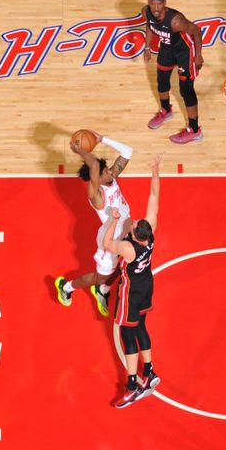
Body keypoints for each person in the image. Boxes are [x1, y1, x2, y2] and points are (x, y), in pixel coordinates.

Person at [103, 155, 162, 409]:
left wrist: (114, 219)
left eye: (135, 223)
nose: (136, 220)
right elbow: (154, 200)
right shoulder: (150, 232)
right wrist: (155, 171)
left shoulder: (128, 249)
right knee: (141, 327)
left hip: (131, 291)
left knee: (128, 333)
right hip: (146, 284)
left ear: (136, 237)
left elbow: (106, 244)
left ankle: (131, 386)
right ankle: (149, 371)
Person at [55, 132, 134, 317]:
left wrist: (102, 139)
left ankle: (103, 290)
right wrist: (80, 151)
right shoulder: (96, 196)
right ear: (97, 177)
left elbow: (128, 151)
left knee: (126, 265)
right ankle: (66, 287)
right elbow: (94, 165)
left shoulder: (111, 178)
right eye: (104, 171)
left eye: (108, 170)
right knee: (99, 277)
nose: (110, 172)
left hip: (126, 231)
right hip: (110, 238)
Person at [143, 0, 204, 144]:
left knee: (186, 89)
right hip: (167, 48)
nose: (156, 8)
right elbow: (149, 26)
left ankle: (194, 130)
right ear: (149, 3)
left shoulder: (176, 21)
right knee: (161, 80)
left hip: (185, 52)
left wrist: (198, 56)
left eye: (159, 5)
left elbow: (197, 31)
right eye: (153, 4)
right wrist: (147, 47)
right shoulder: (147, 12)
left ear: (165, 4)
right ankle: (166, 110)